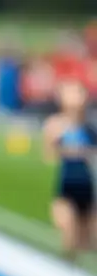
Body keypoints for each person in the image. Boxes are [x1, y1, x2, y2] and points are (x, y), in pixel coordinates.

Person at [42, 80, 96, 261]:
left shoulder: (90, 127)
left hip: (88, 189)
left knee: (88, 244)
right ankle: (66, 273)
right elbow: (49, 154)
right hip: (66, 186)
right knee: (69, 237)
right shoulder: (56, 124)